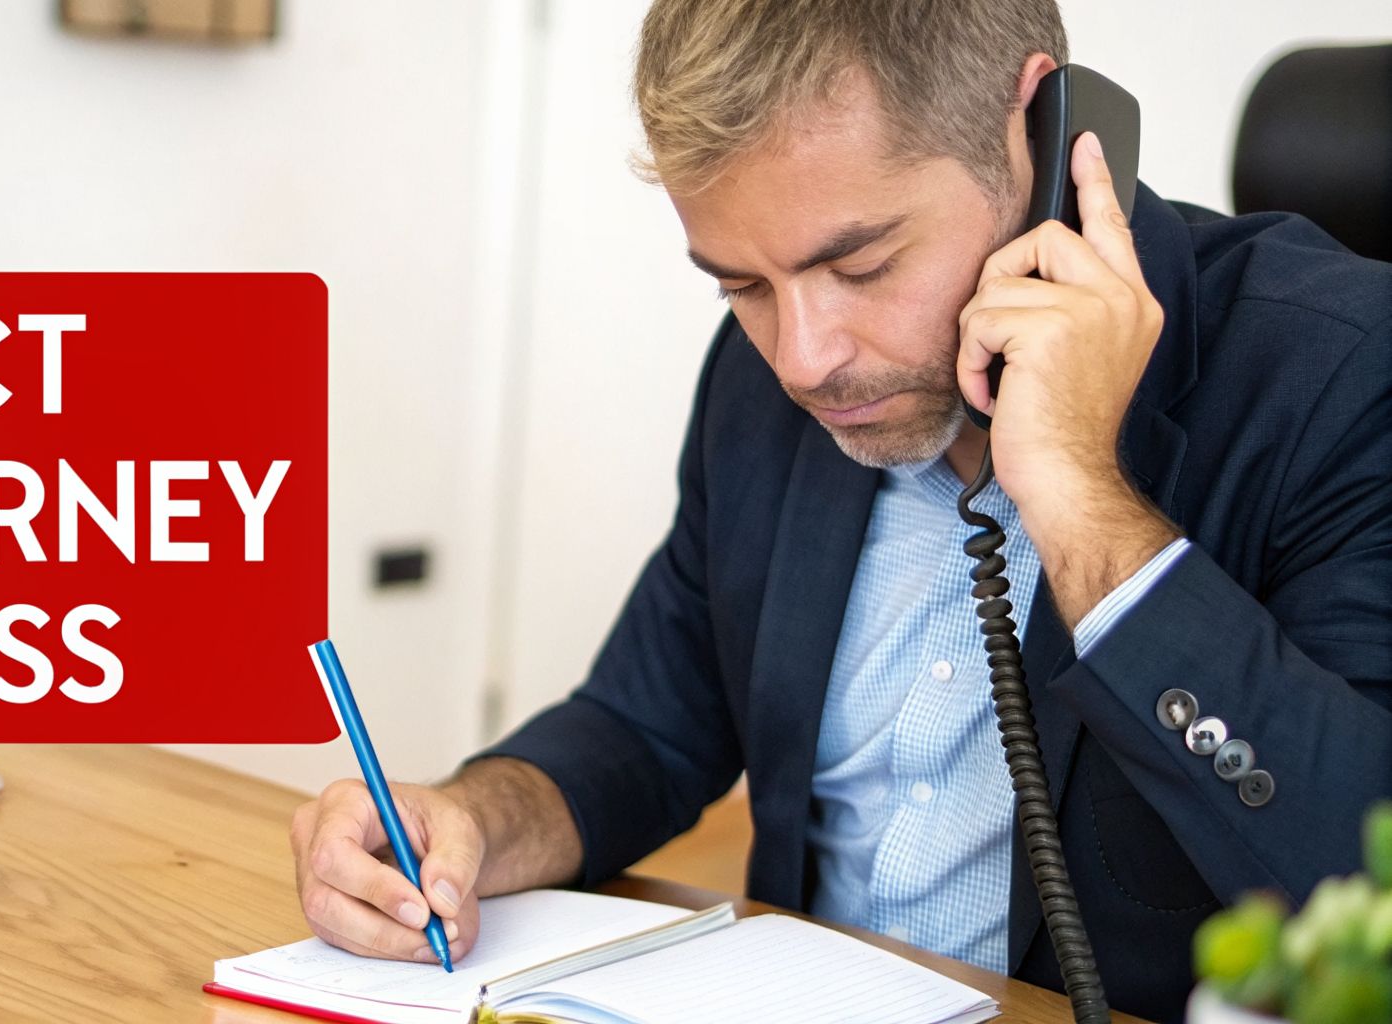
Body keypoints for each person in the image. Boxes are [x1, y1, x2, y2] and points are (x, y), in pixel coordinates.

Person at [289, 1, 1392, 1019]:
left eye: (858, 264)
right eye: (741, 285)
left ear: (1039, 139)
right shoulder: (758, 379)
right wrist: (468, 822)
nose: (803, 360)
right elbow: (645, 722)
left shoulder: (1338, 373)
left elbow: (1361, 879)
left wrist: (1077, 498)